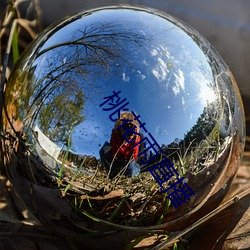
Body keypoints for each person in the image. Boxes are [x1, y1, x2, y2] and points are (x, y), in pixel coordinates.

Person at [100, 111, 141, 178]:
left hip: (128, 161)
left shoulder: (136, 137)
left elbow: (134, 156)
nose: (129, 130)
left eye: (131, 127)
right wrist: (123, 143)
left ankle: (137, 168)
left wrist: (135, 141)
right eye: (126, 126)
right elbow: (114, 153)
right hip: (117, 159)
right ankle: (112, 172)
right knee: (104, 149)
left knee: (131, 172)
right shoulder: (116, 134)